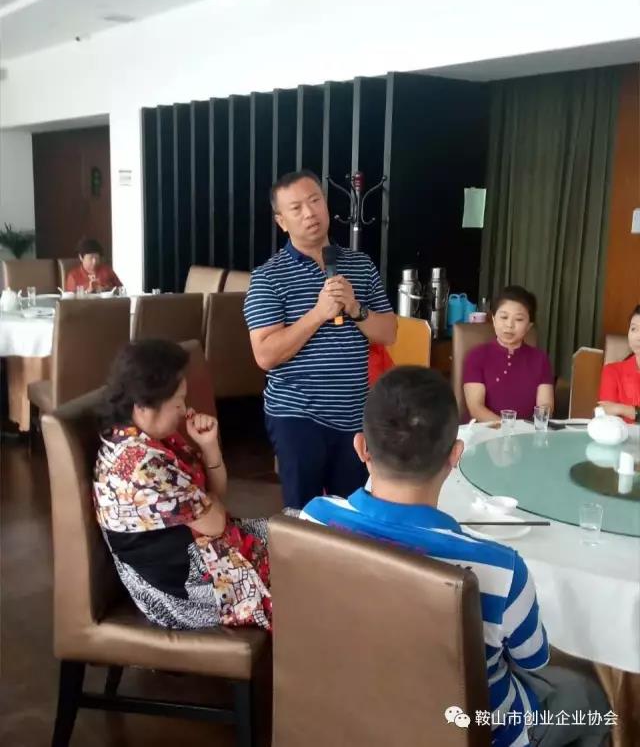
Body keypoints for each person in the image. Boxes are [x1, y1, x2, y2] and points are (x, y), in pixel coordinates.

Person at [301, 367, 611, 747]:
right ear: (456, 454)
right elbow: (532, 659)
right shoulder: (500, 569)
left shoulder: (313, 520)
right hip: (477, 731)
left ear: (362, 447)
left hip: (346, 715)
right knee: (592, 699)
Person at [244, 169, 397, 509]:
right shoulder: (268, 277)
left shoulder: (361, 265)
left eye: (315, 201)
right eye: (296, 208)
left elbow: (389, 333)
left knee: (352, 512)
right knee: (305, 516)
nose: (309, 213)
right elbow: (265, 355)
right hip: (297, 414)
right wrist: (317, 313)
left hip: (354, 414)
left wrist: (355, 308)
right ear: (281, 221)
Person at [93, 339, 271, 630]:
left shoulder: (141, 438)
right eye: (177, 402)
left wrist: (209, 446)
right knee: (303, 560)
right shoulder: (142, 463)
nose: (184, 409)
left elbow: (215, 499)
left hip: (197, 555)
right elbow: (214, 522)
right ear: (144, 406)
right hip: (181, 591)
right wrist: (208, 503)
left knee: (297, 532)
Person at [463, 285, 554, 422]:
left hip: (528, 432)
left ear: (529, 326)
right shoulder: (477, 356)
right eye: (504, 317)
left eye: (519, 319)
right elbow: (476, 408)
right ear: (494, 319)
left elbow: (546, 405)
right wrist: (507, 429)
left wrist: (534, 427)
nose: (509, 325)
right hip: (487, 431)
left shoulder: (540, 359)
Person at [598, 304, 640, 424]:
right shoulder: (612, 371)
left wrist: (624, 409)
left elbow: (615, 410)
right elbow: (608, 418)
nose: (638, 336)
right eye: (634, 329)